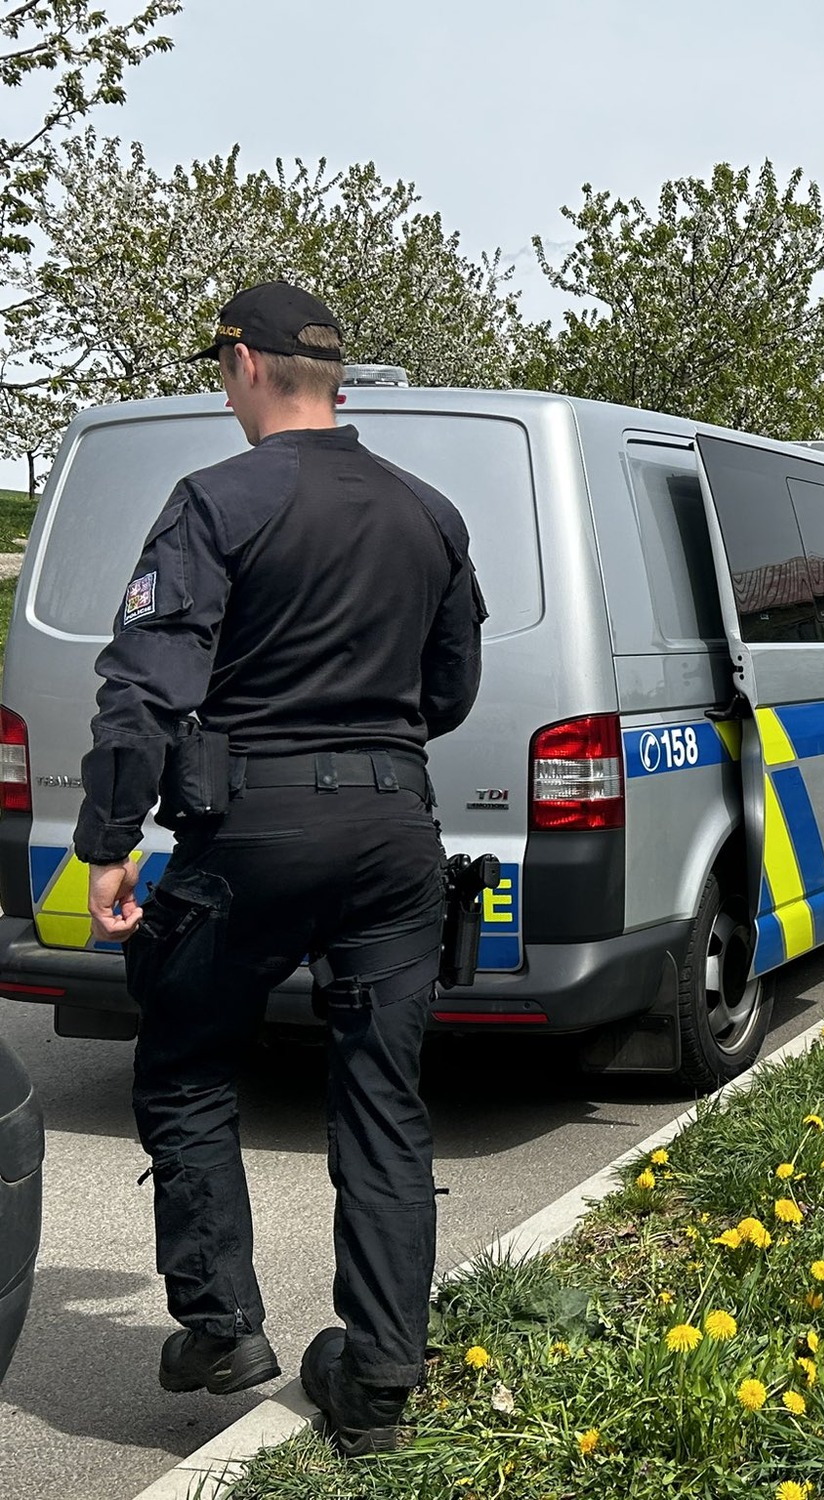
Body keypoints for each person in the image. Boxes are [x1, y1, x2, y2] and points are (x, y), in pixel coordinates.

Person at [74, 282, 484, 1455]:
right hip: (397, 831)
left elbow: (145, 689)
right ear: (332, 377)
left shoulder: (215, 501)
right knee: (383, 1099)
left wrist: (110, 844)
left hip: (248, 833)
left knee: (190, 1059)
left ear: (245, 365)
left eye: (221, 364)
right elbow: (446, 691)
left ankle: (221, 1327)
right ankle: (380, 1381)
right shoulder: (430, 512)